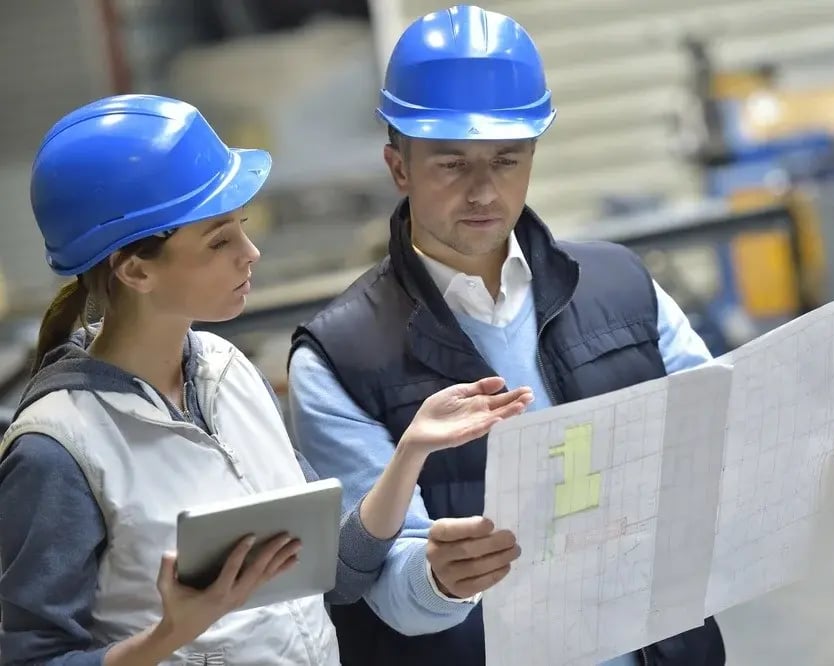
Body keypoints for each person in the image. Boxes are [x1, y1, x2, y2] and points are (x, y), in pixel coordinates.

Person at [286, 5, 834, 666]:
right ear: (398, 166)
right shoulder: (339, 359)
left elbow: (730, 450)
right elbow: (377, 586)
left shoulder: (621, 286)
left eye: (507, 160)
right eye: (450, 164)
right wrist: (441, 578)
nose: (483, 191)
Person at [0, 93, 533, 666]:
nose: (250, 252)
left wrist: (409, 453)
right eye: (218, 239)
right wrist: (167, 636)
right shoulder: (58, 450)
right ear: (135, 269)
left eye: (242, 227)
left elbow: (336, 572)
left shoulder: (228, 373)